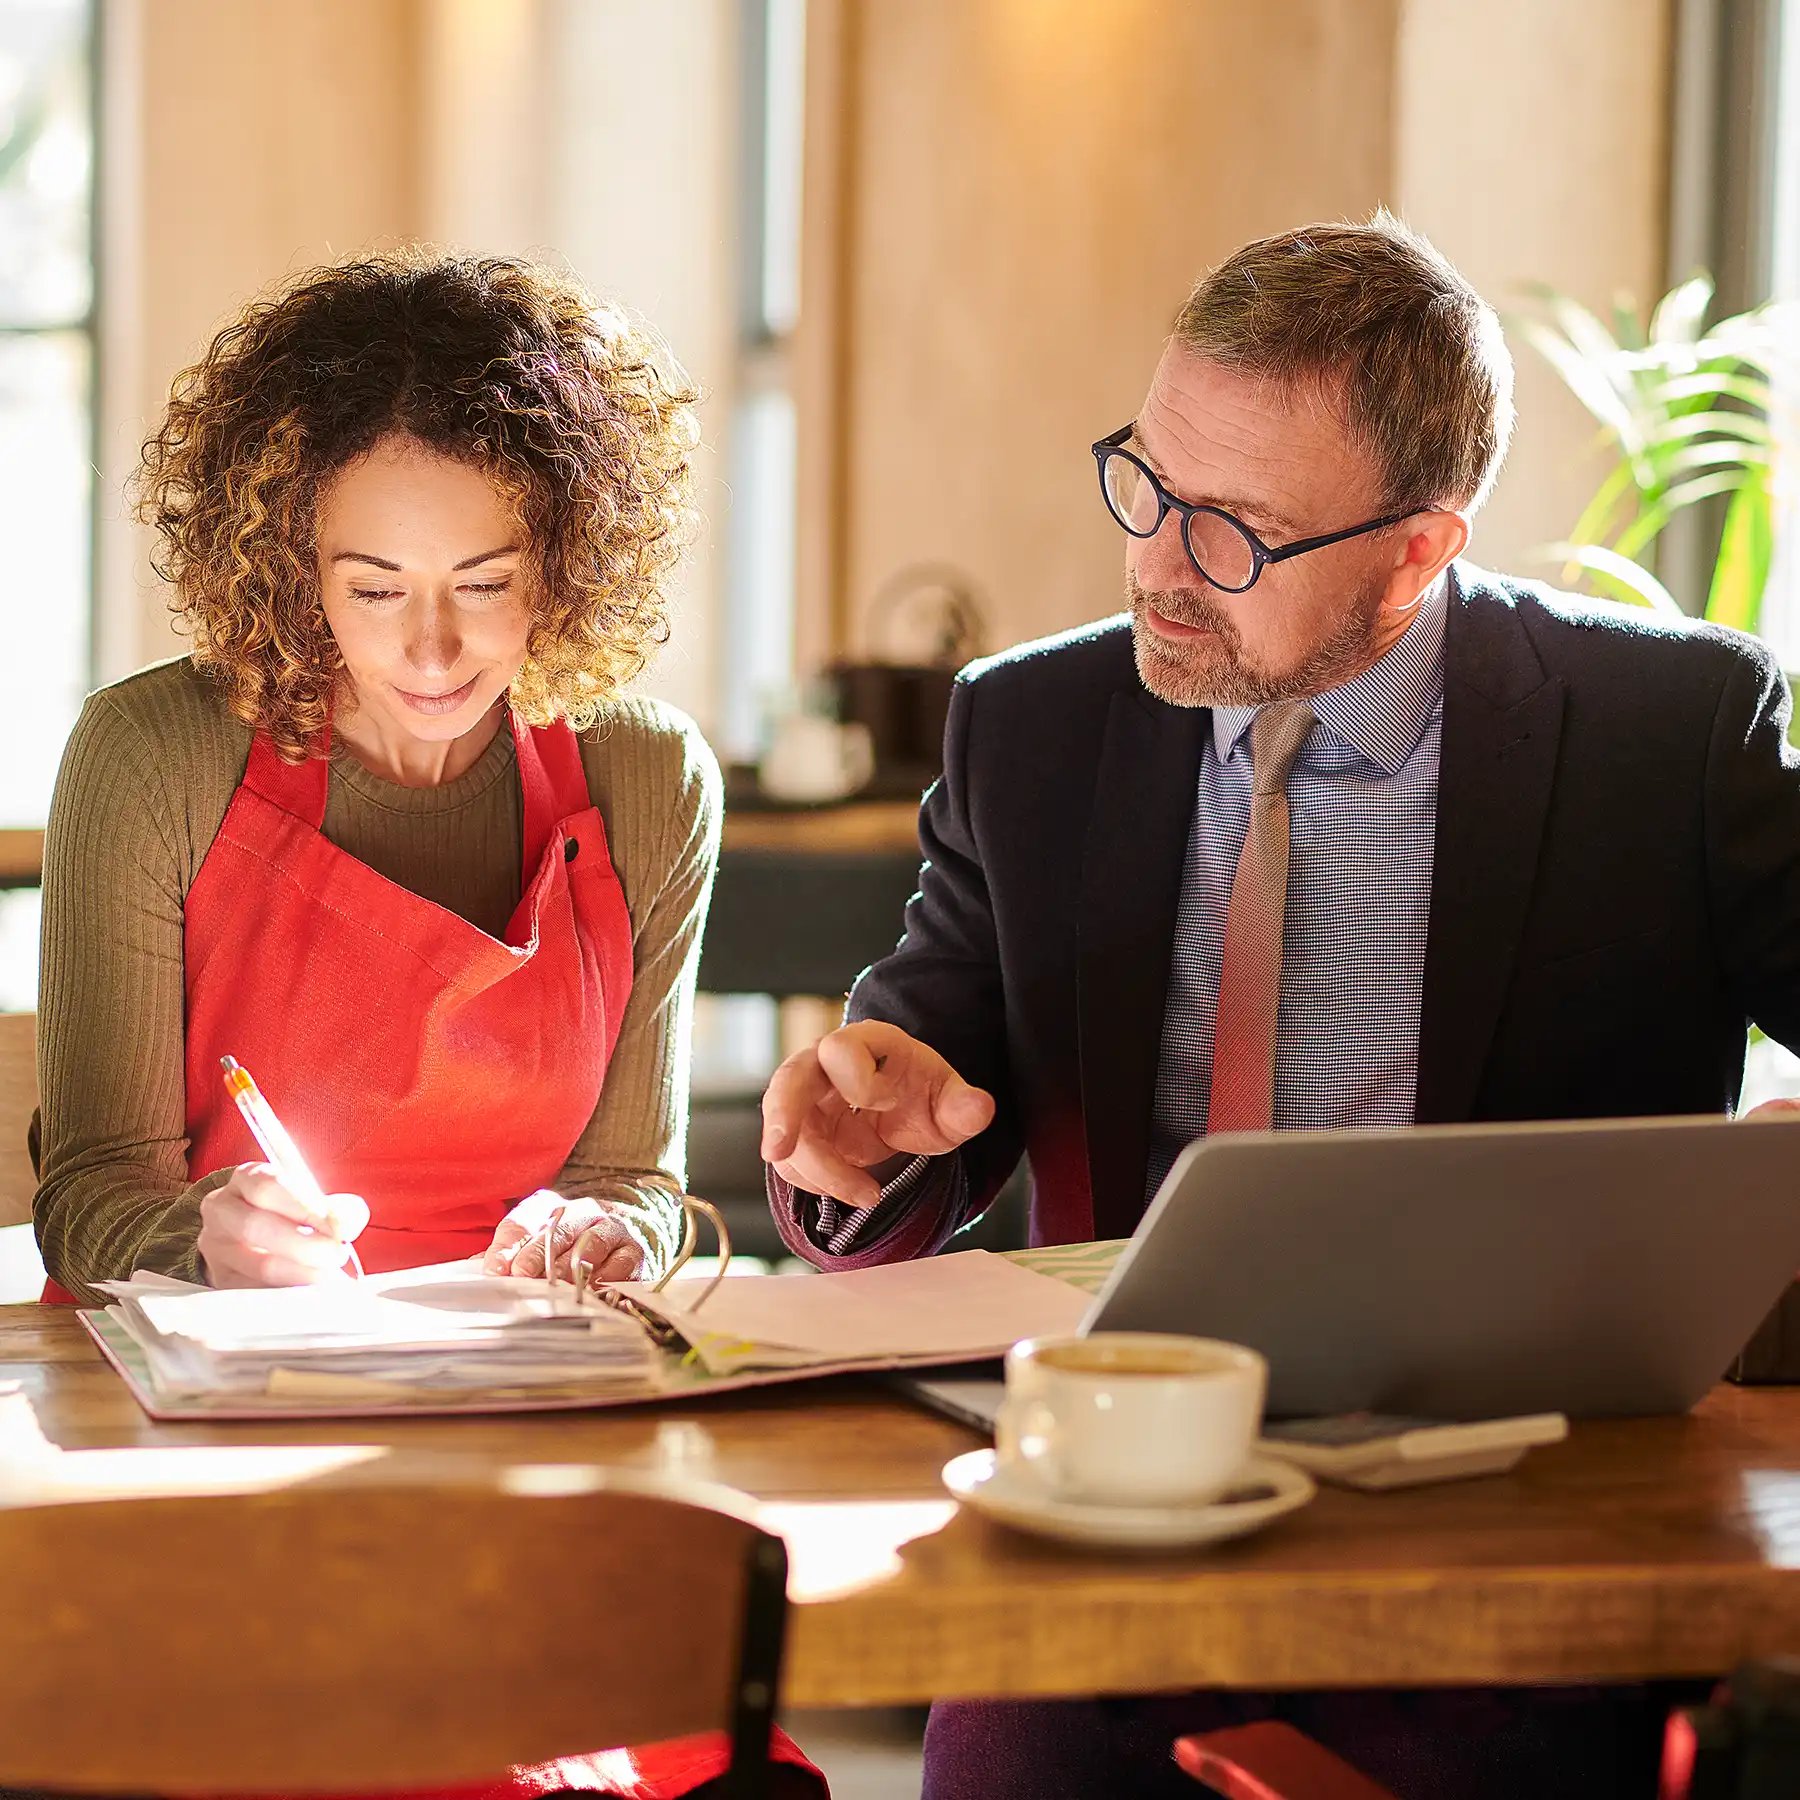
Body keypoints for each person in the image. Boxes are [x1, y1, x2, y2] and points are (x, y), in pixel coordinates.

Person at [760, 214, 1800, 1799]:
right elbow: (916, 1068)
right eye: (1149, 487)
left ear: (1419, 546)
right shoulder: (1029, 726)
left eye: (1236, 530)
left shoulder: (1667, 735)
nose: (1161, 568)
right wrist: (859, 1138)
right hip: (1100, 1544)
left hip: (1497, 1560)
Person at [33, 250, 821, 1800]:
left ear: (566, 564)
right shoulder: (153, 757)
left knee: (710, 1746)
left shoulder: (647, 780)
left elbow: (639, 1185)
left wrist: (604, 1235)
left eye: (485, 584)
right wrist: (210, 1239)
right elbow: (88, 1197)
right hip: (212, 1442)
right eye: (372, 589)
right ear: (289, 570)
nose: (433, 650)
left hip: (534, 1433)